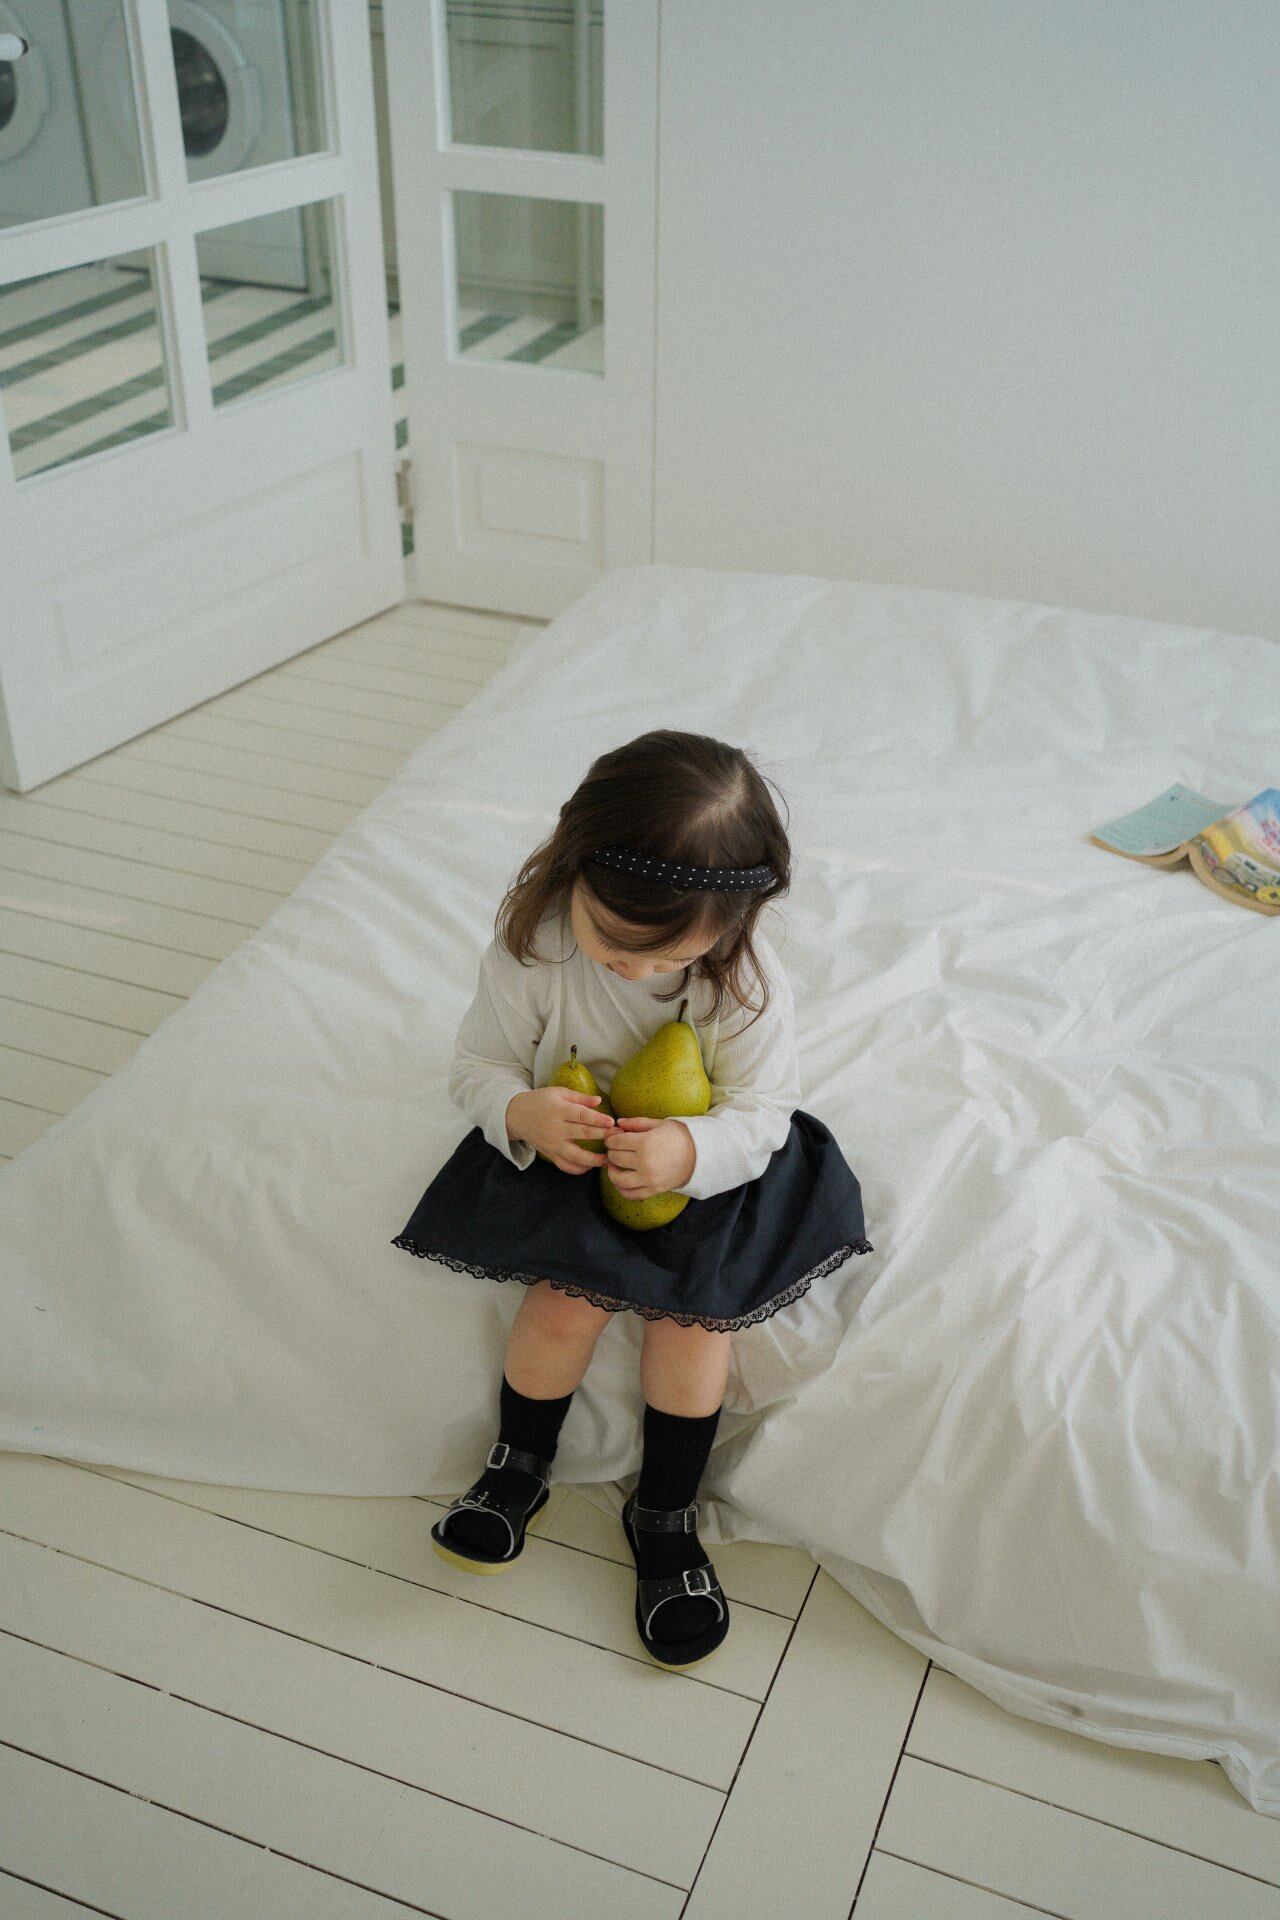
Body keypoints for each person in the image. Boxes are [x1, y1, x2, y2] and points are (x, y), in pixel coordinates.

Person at [392, 729, 871, 1670]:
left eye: (670, 955)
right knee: (560, 1305)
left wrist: (690, 1149)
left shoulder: (744, 982)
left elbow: (764, 1110)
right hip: (573, 1152)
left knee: (693, 1328)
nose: (635, 971)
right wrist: (521, 1110)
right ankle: (517, 1466)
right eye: (613, 941)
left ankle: (665, 1512)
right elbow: (478, 1065)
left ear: (729, 925)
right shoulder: (534, 950)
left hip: (700, 1170)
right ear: (574, 867)